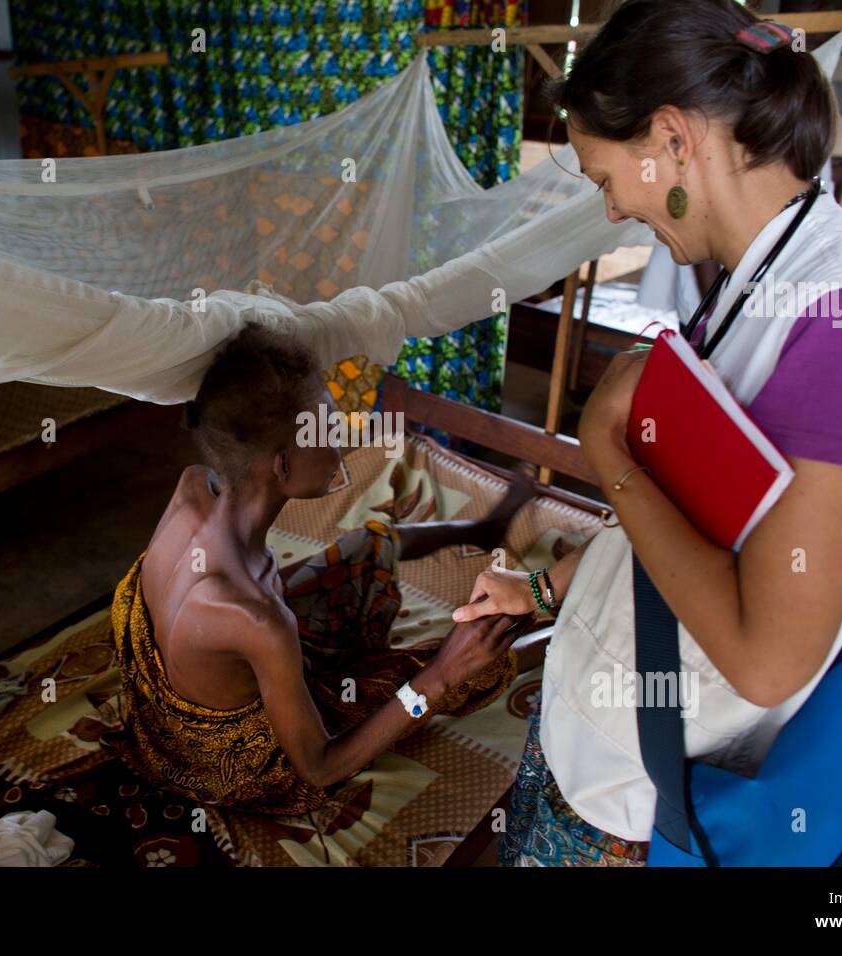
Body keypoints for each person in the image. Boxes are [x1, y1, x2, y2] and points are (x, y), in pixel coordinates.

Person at [452, 0, 842, 865]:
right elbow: (699, 521)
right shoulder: (757, 284)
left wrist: (609, 457)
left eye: (606, 177)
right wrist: (551, 590)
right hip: (597, 748)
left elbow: (766, 659)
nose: (608, 213)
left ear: (674, 139)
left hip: (637, 805)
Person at [109, 324, 547, 815]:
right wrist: (441, 677)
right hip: (235, 768)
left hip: (164, 718)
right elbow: (318, 768)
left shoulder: (193, 491)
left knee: (366, 543)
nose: (342, 442)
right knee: (447, 664)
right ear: (281, 467)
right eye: (328, 431)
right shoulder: (257, 620)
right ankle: (550, 634)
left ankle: (482, 531)